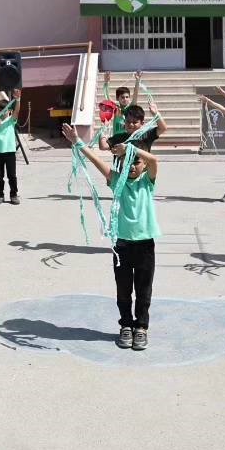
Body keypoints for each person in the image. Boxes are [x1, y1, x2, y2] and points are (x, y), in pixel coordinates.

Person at [61, 125, 160, 350]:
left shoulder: (147, 182)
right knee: (124, 289)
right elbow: (97, 162)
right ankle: (126, 325)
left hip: (145, 245)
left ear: (143, 165)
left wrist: (132, 149)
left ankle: (141, 328)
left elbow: (155, 161)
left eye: (136, 162)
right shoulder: (117, 181)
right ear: (121, 163)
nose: (133, 166)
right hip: (121, 245)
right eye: (128, 162)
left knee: (144, 290)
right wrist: (78, 142)